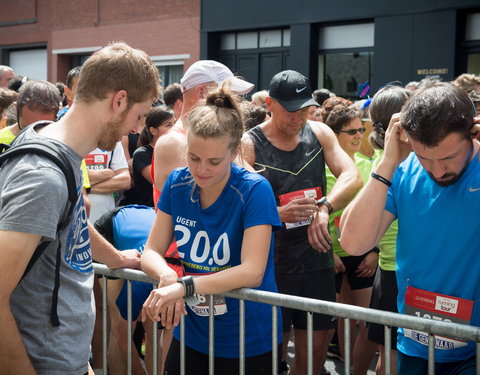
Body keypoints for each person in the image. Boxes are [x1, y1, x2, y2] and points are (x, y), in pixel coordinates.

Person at [0, 42, 160, 375]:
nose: (135, 129)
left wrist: (115, 258)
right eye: (139, 116)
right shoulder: (43, 177)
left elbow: (69, 218)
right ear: (118, 101)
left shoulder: (55, 145)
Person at [340, 82, 480, 374]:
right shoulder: (402, 168)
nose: (437, 171)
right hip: (414, 341)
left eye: (447, 158)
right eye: (424, 157)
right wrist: (388, 162)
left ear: (472, 133)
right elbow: (353, 243)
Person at [141, 85, 282, 375]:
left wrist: (184, 286)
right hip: (192, 333)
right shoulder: (177, 183)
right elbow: (151, 251)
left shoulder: (255, 190)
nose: (201, 169)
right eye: (193, 158)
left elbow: (252, 271)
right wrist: (167, 274)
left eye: (214, 162)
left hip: (247, 337)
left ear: (235, 152)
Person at [242, 70, 363, 375]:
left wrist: (325, 208)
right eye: (290, 110)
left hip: (315, 259)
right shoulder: (249, 142)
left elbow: (352, 176)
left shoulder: (319, 132)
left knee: (316, 350)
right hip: (272, 264)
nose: (298, 118)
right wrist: (277, 215)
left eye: (304, 109)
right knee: (273, 351)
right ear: (270, 103)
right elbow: (238, 200)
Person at [321, 97, 377, 375]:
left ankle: (355, 370)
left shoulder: (368, 166)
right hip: (328, 254)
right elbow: (312, 214)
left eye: (360, 130)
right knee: (337, 320)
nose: (358, 136)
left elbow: (380, 214)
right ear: (335, 135)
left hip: (362, 254)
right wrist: (328, 252)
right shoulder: (320, 170)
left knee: (365, 320)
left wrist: (374, 250)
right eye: (351, 131)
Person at [364, 85, 411, 375]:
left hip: (388, 270)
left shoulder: (377, 166)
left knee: (387, 354)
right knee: (394, 357)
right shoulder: (397, 169)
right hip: (398, 273)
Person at [130, 106, 175, 206]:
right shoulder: (142, 154)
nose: (174, 129)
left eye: (174, 124)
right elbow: (162, 184)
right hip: (150, 212)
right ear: (153, 131)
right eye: (168, 125)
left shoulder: (177, 151)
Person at [0, 80, 60, 145]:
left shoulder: (61, 142)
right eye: (26, 128)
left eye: (42, 128)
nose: (33, 135)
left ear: (56, 114)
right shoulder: (1, 139)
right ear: (16, 109)